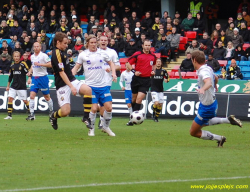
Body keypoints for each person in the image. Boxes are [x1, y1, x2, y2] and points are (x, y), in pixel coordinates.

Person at [190, 50, 242, 147]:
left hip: (207, 107)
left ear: (194, 60)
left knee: (193, 131)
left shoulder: (203, 71)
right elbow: (215, 78)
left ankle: (219, 137)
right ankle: (227, 121)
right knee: (203, 123)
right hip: (209, 104)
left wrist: (203, 89)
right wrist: (216, 85)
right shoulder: (207, 68)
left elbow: (209, 82)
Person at [72, 35, 117, 137]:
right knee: (93, 108)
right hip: (90, 87)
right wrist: (71, 77)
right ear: (87, 44)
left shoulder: (102, 53)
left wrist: (114, 74)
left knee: (109, 108)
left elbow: (111, 63)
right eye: (91, 43)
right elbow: (76, 67)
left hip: (103, 85)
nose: (93, 44)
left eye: (94, 42)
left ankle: (106, 127)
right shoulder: (83, 55)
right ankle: (91, 129)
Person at [49, 32, 92, 130]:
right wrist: (71, 87)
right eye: (64, 43)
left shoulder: (62, 52)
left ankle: (86, 117)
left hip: (71, 79)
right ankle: (53, 116)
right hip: (62, 84)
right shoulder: (56, 53)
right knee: (65, 112)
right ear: (58, 42)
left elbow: (56, 65)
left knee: (88, 90)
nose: (66, 45)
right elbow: (61, 72)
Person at [126, 39, 157, 126]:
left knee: (139, 99)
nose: (147, 47)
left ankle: (132, 120)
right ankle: (132, 117)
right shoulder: (137, 54)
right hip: (136, 79)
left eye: (149, 45)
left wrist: (153, 71)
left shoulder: (153, 56)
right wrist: (134, 71)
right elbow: (128, 63)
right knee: (134, 99)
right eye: (146, 45)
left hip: (146, 80)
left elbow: (154, 65)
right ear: (143, 46)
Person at [96, 35, 121, 130]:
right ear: (98, 41)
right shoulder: (95, 52)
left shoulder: (112, 52)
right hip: (95, 81)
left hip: (106, 81)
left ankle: (102, 122)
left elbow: (118, 66)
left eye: (105, 40)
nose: (103, 42)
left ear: (108, 41)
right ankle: (100, 120)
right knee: (98, 104)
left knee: (103, 103)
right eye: (101, 40)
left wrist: (110, 68)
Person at [26, 42, 53, 121]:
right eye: (35, 46)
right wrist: (30, 73)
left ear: (40, 47)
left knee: (47, 97)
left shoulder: (44, 56)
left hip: (43, 78)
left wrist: (41, 64)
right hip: (35, 78)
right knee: (31, 96)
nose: (36, 48)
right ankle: (32, 114)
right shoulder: (32, 56)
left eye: (38, 46)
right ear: (33, 48)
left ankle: (51, 112)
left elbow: (50, 64)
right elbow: (33, 65)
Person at [4, 51, 30, 119]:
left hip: (21, 86)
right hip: (13, 86)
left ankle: (31, 113)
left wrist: (29, 78)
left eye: (17, 56)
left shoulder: (23, 64)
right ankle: (9, 115)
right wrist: (8, 86)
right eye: (15, 56)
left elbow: (28, 72)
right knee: (10, 98)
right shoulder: (12, 66)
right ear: (13, 57)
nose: (16, 58)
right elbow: (10, 76)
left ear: (20, 57)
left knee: (25, 101)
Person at [151, 58, 169, 122]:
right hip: (153, 89)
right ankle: (153, 113)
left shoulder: (163, 71)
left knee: (160, 104)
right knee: (156, 102)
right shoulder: (153, 71)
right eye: (157, 61)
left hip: (160, 89)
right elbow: (148, 77)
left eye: (159, 62)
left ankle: (156, 117)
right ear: (155, 63)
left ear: (161, 63)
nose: (158, 63)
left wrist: (166, 80)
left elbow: (167, 78)